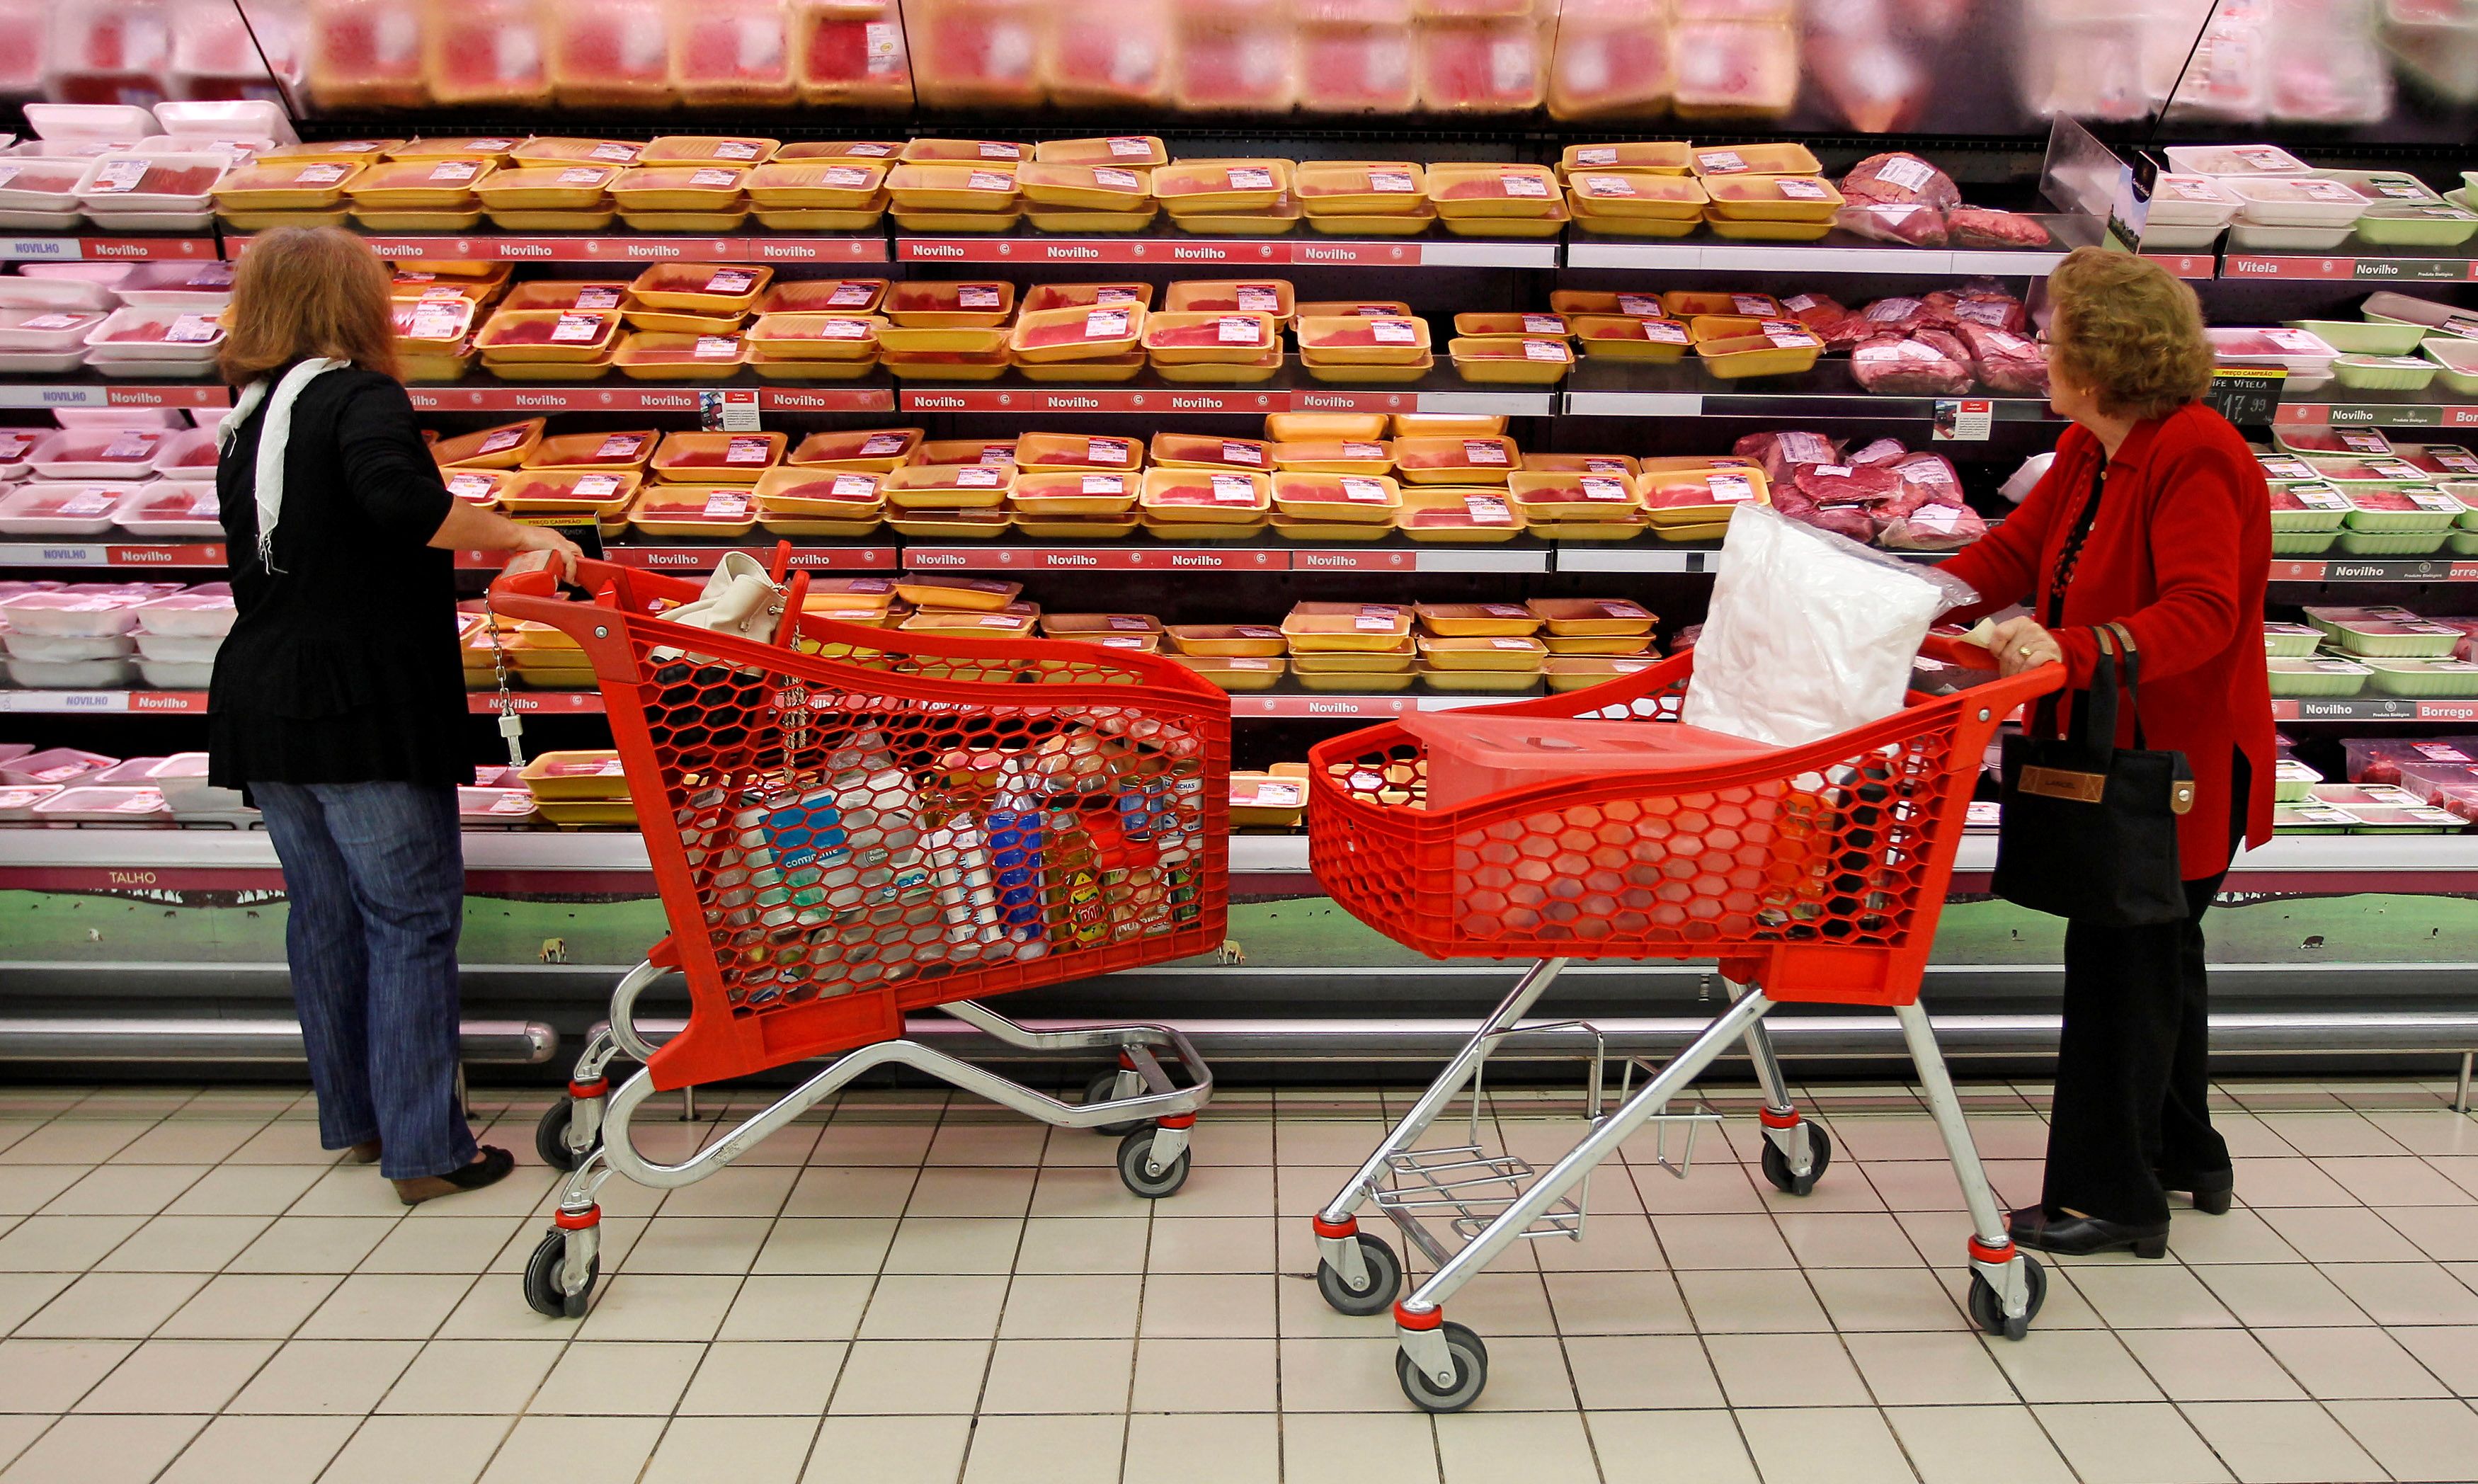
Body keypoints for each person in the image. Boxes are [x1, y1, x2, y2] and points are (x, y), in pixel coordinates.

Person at [205, 227, 581, 1205]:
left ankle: (363, 1122)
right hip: (359, 701)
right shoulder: (357, 396)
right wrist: (519, 531)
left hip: (267, 694)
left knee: (326, 919)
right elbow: (400, 504)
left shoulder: (250, 415)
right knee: (410, 920)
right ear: (351, 305)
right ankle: (429, 1150)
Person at [1939, 246, 2274, 1258]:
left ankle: (2110, 1197)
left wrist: (2074, 649)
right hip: (2132, 757)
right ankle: (2188, 1155)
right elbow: (2015, 551)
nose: (2039, 355)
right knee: (2161, 957)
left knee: (2121, 971)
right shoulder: (2095, 447)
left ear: (2097, 364)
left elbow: (2206, 612)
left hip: (2173, 772)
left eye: (2053, 341)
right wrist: (1911, 600)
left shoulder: (2197, 454)